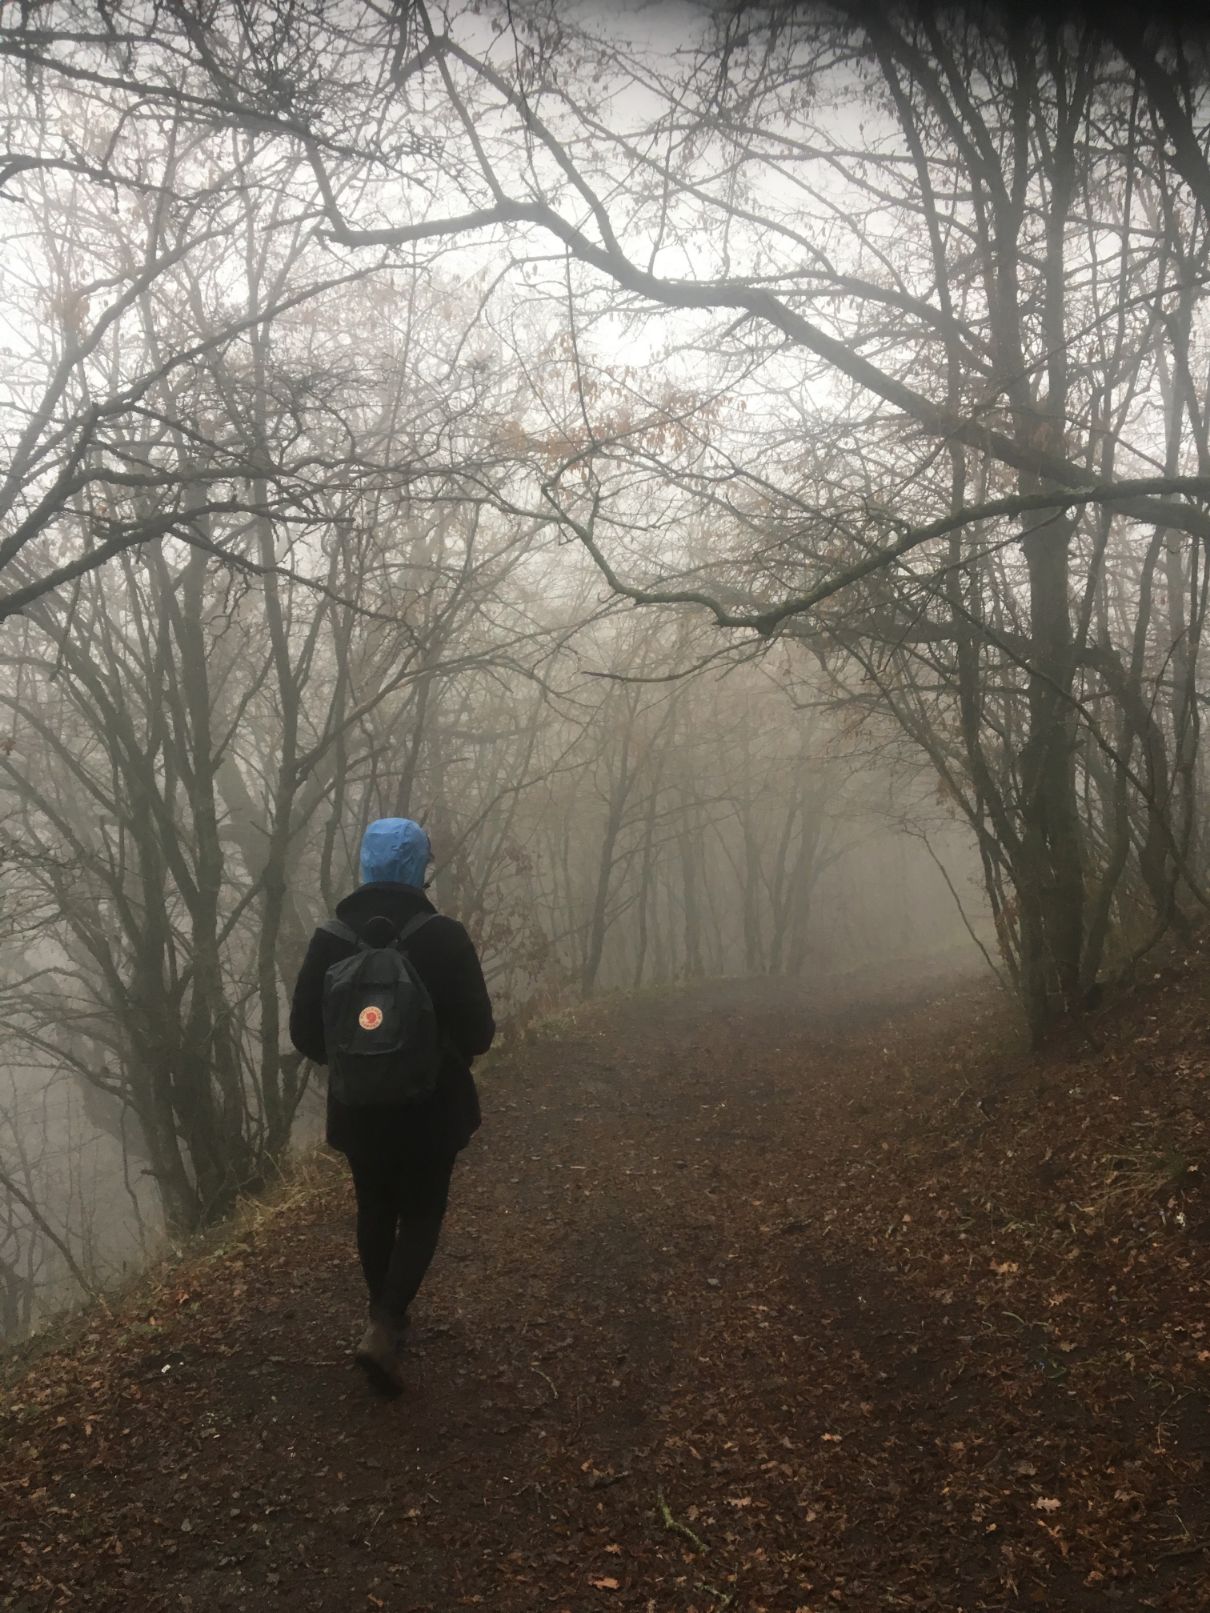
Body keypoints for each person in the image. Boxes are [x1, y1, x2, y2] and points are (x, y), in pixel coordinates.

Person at [289, 816, 494, 1395]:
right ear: (419, 865)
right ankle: (386, 1322)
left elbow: (306, 1035)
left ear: (366, 863)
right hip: (432, 1110)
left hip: (359, 1111)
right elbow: (479, 1032)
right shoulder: (444, 936)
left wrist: (361, 1059)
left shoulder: (331, 937)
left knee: (374, 1208)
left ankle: (383, 1319)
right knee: (423, 1212)